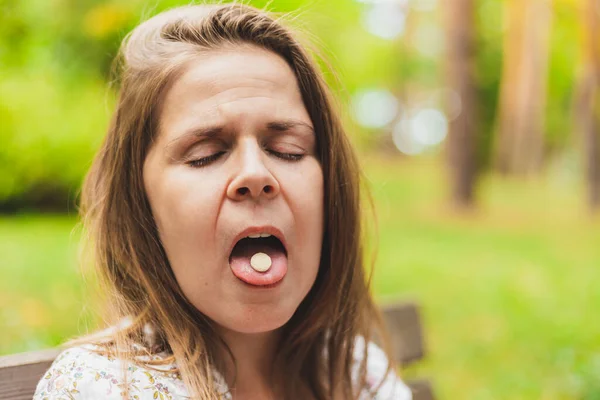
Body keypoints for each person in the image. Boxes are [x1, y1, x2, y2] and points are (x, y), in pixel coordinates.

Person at [33, 3, 412, 399]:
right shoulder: (108, 388)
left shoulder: (360, 373)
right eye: (205, 155)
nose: (255, 175)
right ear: (141, 206)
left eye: (288, 149)